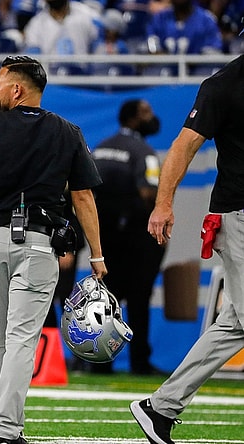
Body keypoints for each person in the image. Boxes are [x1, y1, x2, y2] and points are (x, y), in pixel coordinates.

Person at [0, 55, 105, 444]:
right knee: (22, 338)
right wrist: (98, 256)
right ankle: (6, 429)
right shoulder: (68, 132)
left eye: (0, 82)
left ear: (16, 90)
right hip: (38, 243)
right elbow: (83, 196)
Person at [130, 54, 244, 444]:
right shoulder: (224, 84)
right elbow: (183, 145)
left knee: (234, 324)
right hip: (238, 213)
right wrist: (163, 203)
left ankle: (161, 407)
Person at [92, 99, 165, 375]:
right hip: (135, 237)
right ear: (134, 119)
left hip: (103, 237)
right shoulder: (144, 152)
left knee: (106, 300)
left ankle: (100, 363)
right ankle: (139, 362)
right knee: (138, 298)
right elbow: (149, 193)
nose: (152, 117)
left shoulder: (101, 148)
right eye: (147, 112)